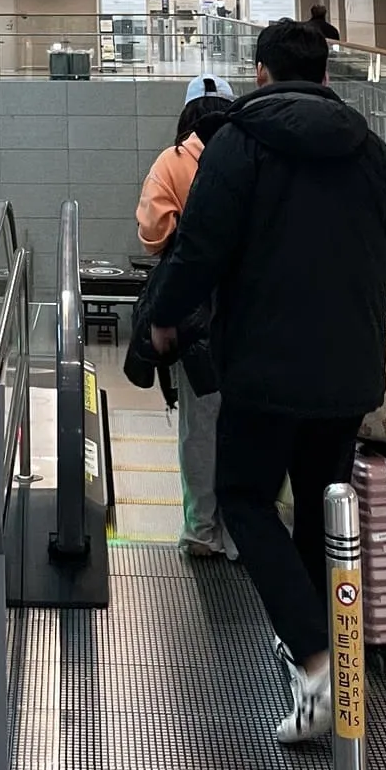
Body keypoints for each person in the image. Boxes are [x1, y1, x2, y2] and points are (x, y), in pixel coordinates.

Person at [149, 18, 386, 745]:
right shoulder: (366, 146)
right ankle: (321, 652)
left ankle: (316, 663)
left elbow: (199, 249)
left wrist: (164, 319)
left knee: (243, 497)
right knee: (319, 505)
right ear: (327, 75)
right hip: (348, 367)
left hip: (265, 366)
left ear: (261, 73)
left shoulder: (239, 143)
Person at [136, 76, 237, 560]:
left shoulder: (172, 161)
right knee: (247, 424)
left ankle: (201, 528)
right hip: (252, 310)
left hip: (196, 314)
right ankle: (242, 529)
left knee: (201, 425)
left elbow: (153, 234)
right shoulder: (250, 154)